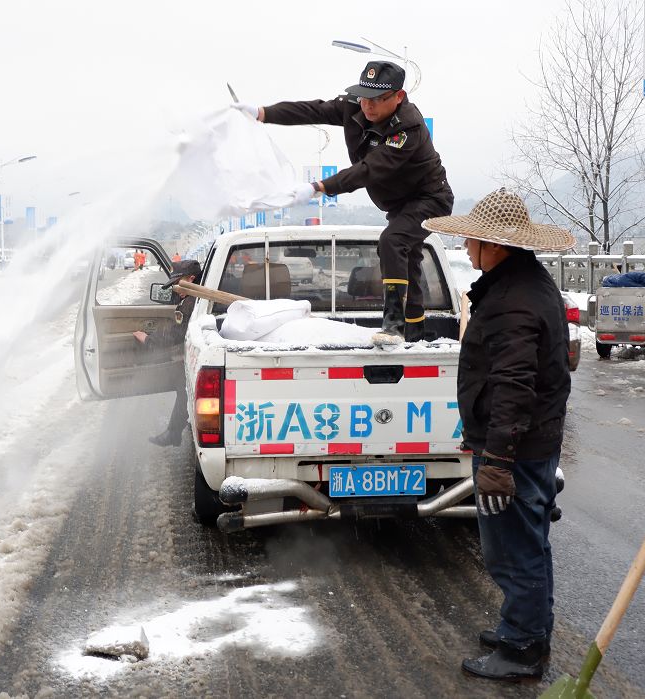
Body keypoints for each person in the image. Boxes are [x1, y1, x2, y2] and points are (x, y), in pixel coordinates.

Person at [421, 189, 574, 681]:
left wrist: (498, 462)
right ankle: (529, 627)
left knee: (513, 548)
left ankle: (522, 647)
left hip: (516, 447)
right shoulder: (524, 283)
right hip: (531, 441)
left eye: (472, 240)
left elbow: (514, 384)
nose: (466, 247)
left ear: (496, 246)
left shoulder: (514, 300)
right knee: (528, 541)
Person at [234, 60, 453, 342]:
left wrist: (319, 187)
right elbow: (314, 109)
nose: (367, 106)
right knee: (406, 260)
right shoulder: (355, 105)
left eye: (377, 99)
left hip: (430, 199)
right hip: (397, 204)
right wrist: (264, 113)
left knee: (393, 241)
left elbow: (369, 169)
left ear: (398, 97)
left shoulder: (408, 129)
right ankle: (415, 331)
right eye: (364, 96)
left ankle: (394, 326)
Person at [134, 259, 202, 447]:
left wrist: (149, 340)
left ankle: (173, 433)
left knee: (185, 389)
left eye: (177, 284)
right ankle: (173, 432)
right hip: (194, 352)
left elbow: (176, 333)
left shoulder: (191, 301)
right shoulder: (191, 298)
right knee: (184, 389)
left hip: (198, 355)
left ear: (191, 279)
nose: (175, 289)